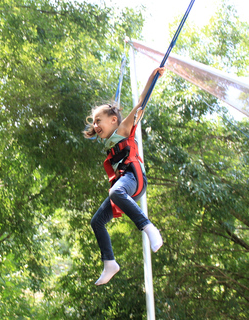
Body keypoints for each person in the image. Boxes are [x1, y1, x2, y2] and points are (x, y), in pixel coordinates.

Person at [83, 67, 165, 286]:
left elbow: (141, 102)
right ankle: (110, 263)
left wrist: (152, 77)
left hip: (134, 179)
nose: (95, 125)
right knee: (97, 221)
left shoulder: (124, 127)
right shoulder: (108, 139)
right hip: (124, 184)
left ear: (113, 120)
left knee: (115, 191)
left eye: (99, 120)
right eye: (94, 122)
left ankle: (148, 228)